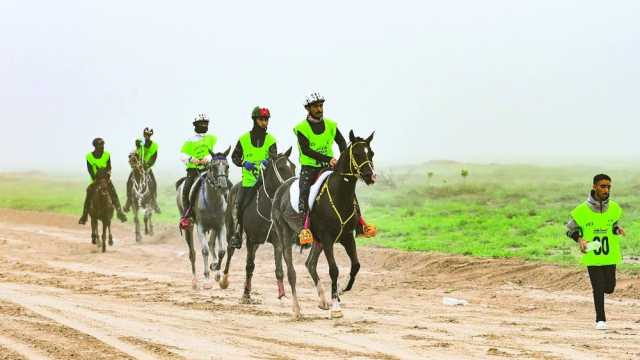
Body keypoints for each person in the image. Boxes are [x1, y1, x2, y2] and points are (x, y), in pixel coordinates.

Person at [293, 92, 375, 244]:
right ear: (308, 108)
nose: (319, 109)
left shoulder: (331, 125)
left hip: (330, 167)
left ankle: (361, 224)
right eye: (316, 106)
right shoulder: (301, 128)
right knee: (304, 193)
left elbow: (342, 143)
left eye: (321, 105)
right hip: (309, 168)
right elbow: (306, 151)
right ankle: (304, 230)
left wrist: (344, 160)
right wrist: (328, 158)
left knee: (348, 188)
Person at [566, 173, 626, 330]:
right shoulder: (581, 210)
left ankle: (601, 315)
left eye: (608, 187)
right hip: (592, 253)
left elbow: (612, 224)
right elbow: (570, 229)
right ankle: (600, 319)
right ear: (594, 187)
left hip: (610, 254)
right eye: (603, 186)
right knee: (598, 287)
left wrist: (616, 229)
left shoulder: (614, 207)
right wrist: (580, 239)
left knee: (609, 288)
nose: (606, 190)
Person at [229, 106, 277, 249]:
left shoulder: (271, 140)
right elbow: (234, 157)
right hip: (249, 182)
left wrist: (267, 162)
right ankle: (237, 234)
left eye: (266, 120)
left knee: (281, 202)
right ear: (255, 120)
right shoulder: (243, 139)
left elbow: (274, 157)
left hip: (266, 182)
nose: (264, 122)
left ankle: (286, 231)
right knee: (240, 206)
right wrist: (244, 163)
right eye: (262, 119)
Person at [178, 113, 217, 229]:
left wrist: (208, 158)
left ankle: (227, 211)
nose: (204, 125)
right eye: (201, 124)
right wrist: (191, 159)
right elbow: (182, 154)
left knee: (224, 184)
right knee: (185, 191)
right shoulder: (189, 141)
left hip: (209, 169)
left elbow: (219, 151)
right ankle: (187, 216)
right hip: (193, 171)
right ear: (196, 125)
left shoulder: (212, 138)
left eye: (206, 123)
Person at [78, 138, 127, 224]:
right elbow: (90, 169)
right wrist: (95, 178)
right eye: (100, 145)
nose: (102, 147)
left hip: (105, 179)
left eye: (103, 145)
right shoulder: (89, 156)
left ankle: (120, 213)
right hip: (95, 180)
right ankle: (84, 215)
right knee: (89, 193)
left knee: (113, 192)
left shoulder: (107, 155)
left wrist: (107, 177)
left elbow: (109, 167)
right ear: (95, 146)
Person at [124, 127, 161, 213]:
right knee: (129, 182)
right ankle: (128, 201)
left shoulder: (154, 146)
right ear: (143, 134)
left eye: (148, 135)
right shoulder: (139, 142)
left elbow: (154, 157)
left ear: (151, 135)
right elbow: (136, 151)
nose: (147, 136)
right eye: (145, 135)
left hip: (147, 168)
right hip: (137, 168)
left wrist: (148, 164)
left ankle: (154, 202)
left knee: (154, 183)